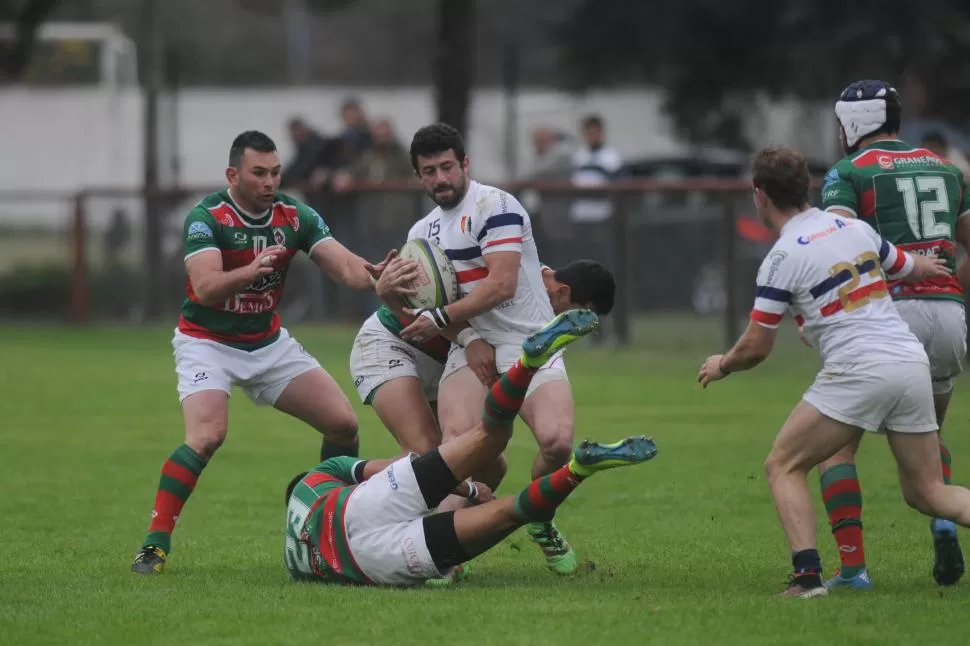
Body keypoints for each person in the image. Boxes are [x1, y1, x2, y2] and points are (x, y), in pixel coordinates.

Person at [697, 147, 970, 598]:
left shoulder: (782, 258)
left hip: (859, 370)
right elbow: (906, 264)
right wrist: (933, 265)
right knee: (929, 493)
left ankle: (807, 580)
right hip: (909, 362)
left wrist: (722, 364)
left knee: (782, 465)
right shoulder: (854, 228)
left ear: (759, 195)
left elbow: (757, 346)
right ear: (806, 188)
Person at [131, 130, 406, 575]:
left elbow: (344, 265)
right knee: (206, 436)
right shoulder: (207, 217)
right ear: (232, 174)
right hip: (208, 342)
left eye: (275, 172)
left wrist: (378, 276)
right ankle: (154, 546)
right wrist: (249, 271)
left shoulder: (294, 216)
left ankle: (322, 524)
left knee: (342, 424)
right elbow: (204, 288)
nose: (270, 181)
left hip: (267, 342)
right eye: (259, 173)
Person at [284, 309, 658, 586]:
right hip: (358, 506)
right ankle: (526, 364)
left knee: (509, 513)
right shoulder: (314, 482)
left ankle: (577, 470)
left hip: (369, 560)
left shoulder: (294, 561)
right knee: (488, 437)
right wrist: (464, 484)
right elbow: (388, 467)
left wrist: (473, 492)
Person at [391, 123, 593, 575]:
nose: (440, 178)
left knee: (558, 444)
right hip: (472, 348)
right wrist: (467, 338)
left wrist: (442, 321)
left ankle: (538, 515)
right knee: (456, 452)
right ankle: (440, 558)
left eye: (447, 167)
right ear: (419, 177)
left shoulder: (496, 206)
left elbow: (501, 285)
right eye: (429, 171)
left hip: (533, 344)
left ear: (465, 164)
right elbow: (429, 302)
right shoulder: (421, 232)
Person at [818, 80, 970, 589]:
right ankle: (944, 521)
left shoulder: (847, 172)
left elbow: (835, 244)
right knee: (929, 444)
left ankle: (853, 570)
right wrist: (951, 285)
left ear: (852, 124)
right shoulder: (946, 167)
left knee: (836, 449)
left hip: (887, 320)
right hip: (949, 316)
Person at [351, 258, 616, 458]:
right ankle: (337, 483)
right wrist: (468, 339)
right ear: (564, 292)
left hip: (443, 360)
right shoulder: (506, 275)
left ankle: (446, 523)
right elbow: (420, 307)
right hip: (392, 342)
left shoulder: (543, 321)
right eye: (583, 313)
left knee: (484, 463)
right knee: (426, 454)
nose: (580, 325)